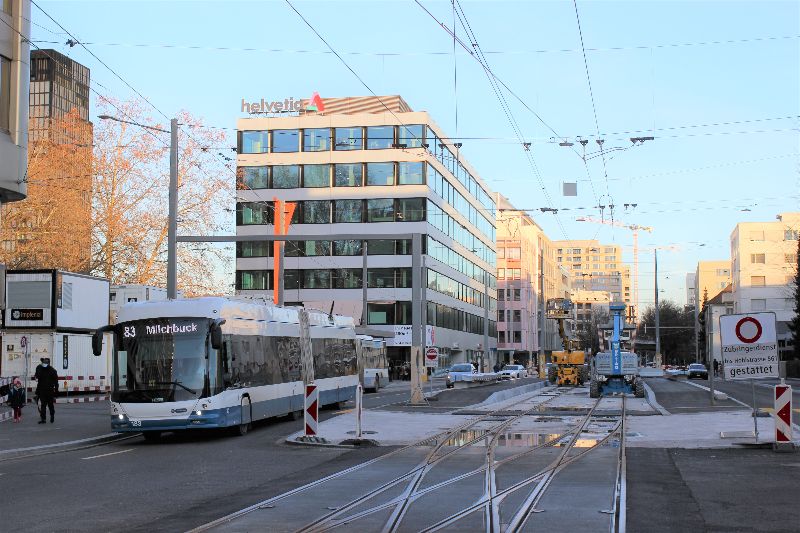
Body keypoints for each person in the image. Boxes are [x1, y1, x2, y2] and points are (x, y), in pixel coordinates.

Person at [34, 357, 59, 424]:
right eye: (43, 363)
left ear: (48, 363)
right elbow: (37, 378)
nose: (44, 364)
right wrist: (37, 391)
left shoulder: (53, 371)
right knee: (43, 405)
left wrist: (56, 391)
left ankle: (52, 415)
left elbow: (56, 382)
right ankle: (43, 419)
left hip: (50, 391)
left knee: (50, 404)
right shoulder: (40, 369)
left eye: (45, 363)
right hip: (42, 391)